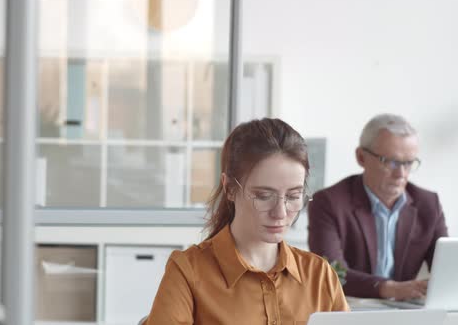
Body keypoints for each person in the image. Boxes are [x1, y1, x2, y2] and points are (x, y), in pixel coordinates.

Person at [144, 118, 349, 325]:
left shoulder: (320, 275)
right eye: (263, 196)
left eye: (293, 196)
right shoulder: (188, 271)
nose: (280, 213)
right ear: (230, 188)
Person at [308, 114, 448, 300]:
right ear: (361, 157)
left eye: (408, 163)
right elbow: (332, 272)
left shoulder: (428, 204)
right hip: (348, 308)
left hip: (403, 313)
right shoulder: (328, 202)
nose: (401, 174)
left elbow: (447, 268)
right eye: (390, 161)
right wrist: (389, 289)